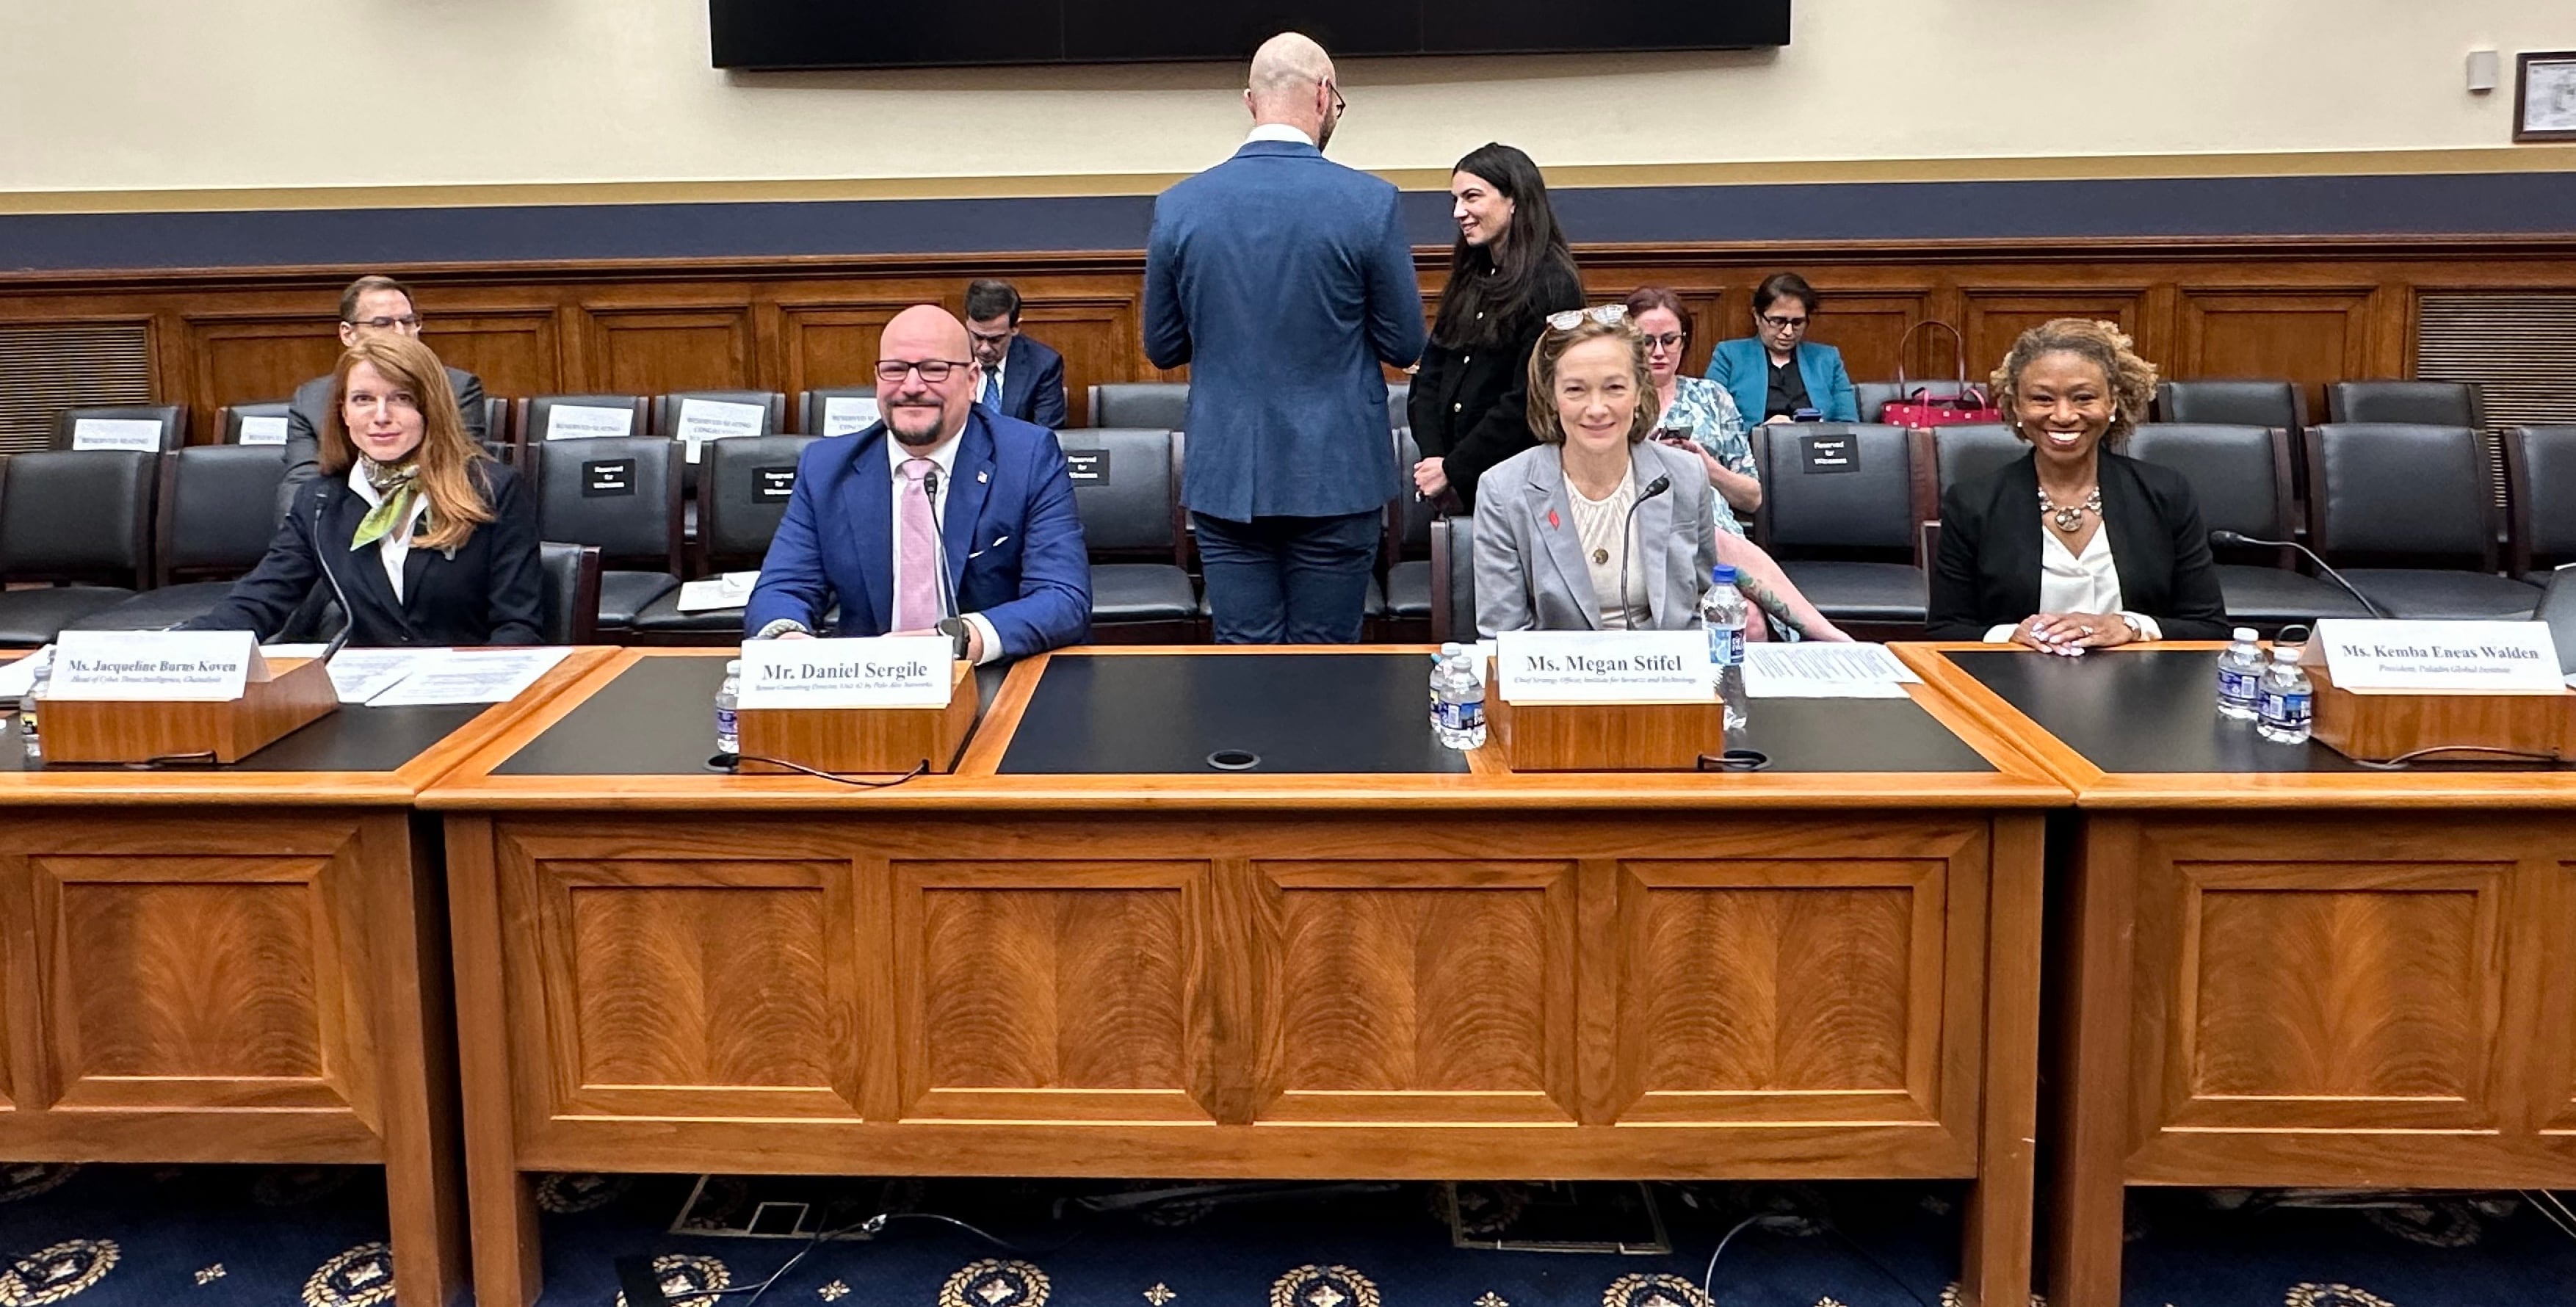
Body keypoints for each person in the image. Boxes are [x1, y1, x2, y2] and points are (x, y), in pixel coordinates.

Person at [1142, 31, 1426, 643]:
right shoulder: (1369, 203)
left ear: (1251, 101)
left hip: (1226, 473)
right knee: (1328, 661)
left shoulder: (1180, 206)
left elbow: (1163, 346)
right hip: (1338, 473)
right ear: (1325, 97)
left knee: (1244, 657)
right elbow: (1404, 343)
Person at [1474, 308, 1850, 641]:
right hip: (1556, 695)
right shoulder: (1504, 490)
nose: (1597, 408)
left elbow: (1701, 602)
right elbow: (1503, 638)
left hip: (1668, 685)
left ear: (1640, 392)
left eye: (1615, 388)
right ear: (1551, 398)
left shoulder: (1684, 475)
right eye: (1575, 390)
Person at [744, 305, 1090, 662]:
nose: (911, 387)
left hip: (989, 676)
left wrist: (955, 642)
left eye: (934, 369)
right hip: (867, 687)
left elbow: (1062, 597)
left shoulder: (1028, 456)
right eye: (895, 370)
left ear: (972, 380)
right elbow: (783, 587)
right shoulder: (827, 466)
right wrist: (786, 640)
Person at [189, 336, 540, 646]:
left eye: (401, 398)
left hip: (472, 693)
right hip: (369, 700)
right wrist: (173, 651)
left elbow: (518, 626)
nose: (381, 416)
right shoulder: (320, 502)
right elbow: (260, 600)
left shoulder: (492, 489)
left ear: (430, 408)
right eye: (363, 399)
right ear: (343, 412)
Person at [1928, 319, 2229, 648]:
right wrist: (2011, 634)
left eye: (2084, 398)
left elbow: (2209, 626)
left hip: (2143, 687)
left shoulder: (2166, 493)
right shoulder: (1973, 502)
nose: (2064, 415)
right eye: (2042, 399)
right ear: (2015, 406)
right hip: (2013, 684)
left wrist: (2130, 626)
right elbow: (1945, 630)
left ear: (2112, 402)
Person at [1408, 142, 1583, 513]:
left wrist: (1454, 468)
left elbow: (1529, 398)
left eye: (1472, 197)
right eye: (1455, 200)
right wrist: (1436, 460)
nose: (1459, 212)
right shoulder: (1470, 275)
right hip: (1454, 482)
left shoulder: (1553, 285)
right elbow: (1430, 375)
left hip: (1521, 486)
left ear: (1514, 200)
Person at [283, 275, 488, 515]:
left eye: (408, 321)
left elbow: (459, 474)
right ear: (348, 334)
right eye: (383, 323)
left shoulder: (457, 388)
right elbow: (301, 486)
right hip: (340, 529)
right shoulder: (312, 399)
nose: (400, 333)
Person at [1627, 286, 1759, 526]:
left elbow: (1752, 498)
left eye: (1669, 341)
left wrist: (1707, 468)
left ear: (1683, 341)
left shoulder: (1713, 396)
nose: (1658, 352)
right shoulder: (1613, 402)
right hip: (1641, 533)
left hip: (1716, 533)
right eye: (1645, 342)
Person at [1707, 272, 1858, 426]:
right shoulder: (1729, 356)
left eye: (1797, 323)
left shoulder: (1827, 358)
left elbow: (1849, 424)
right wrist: (1761, 432)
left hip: (1816, 446)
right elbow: (1712, 422)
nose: (1788, 332)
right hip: (1753, 447)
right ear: (1757, 317)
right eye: (1778, 321)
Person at [963, 278, 1068, 430]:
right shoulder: (946, 358)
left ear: (1015, 328)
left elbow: (1046, 436)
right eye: (978, 337)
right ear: (967, 323)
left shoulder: (1043, 365)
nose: (984, 349)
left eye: (995, 339)